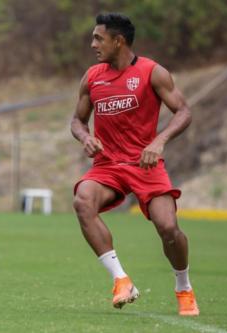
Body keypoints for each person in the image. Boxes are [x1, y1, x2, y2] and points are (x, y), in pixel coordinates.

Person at [70, 13, 199, 316]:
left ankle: (183, 286)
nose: (93, 44)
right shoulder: (92, 77)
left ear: (119, 41)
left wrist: (159, 141)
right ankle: (121, 280)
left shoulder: (152, 72)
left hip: (145, 165)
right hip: (108, 166)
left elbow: (183, 111)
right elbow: (77, 120)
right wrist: (84, 137)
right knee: (82, 200)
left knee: (168, 228)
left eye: (98, 38)